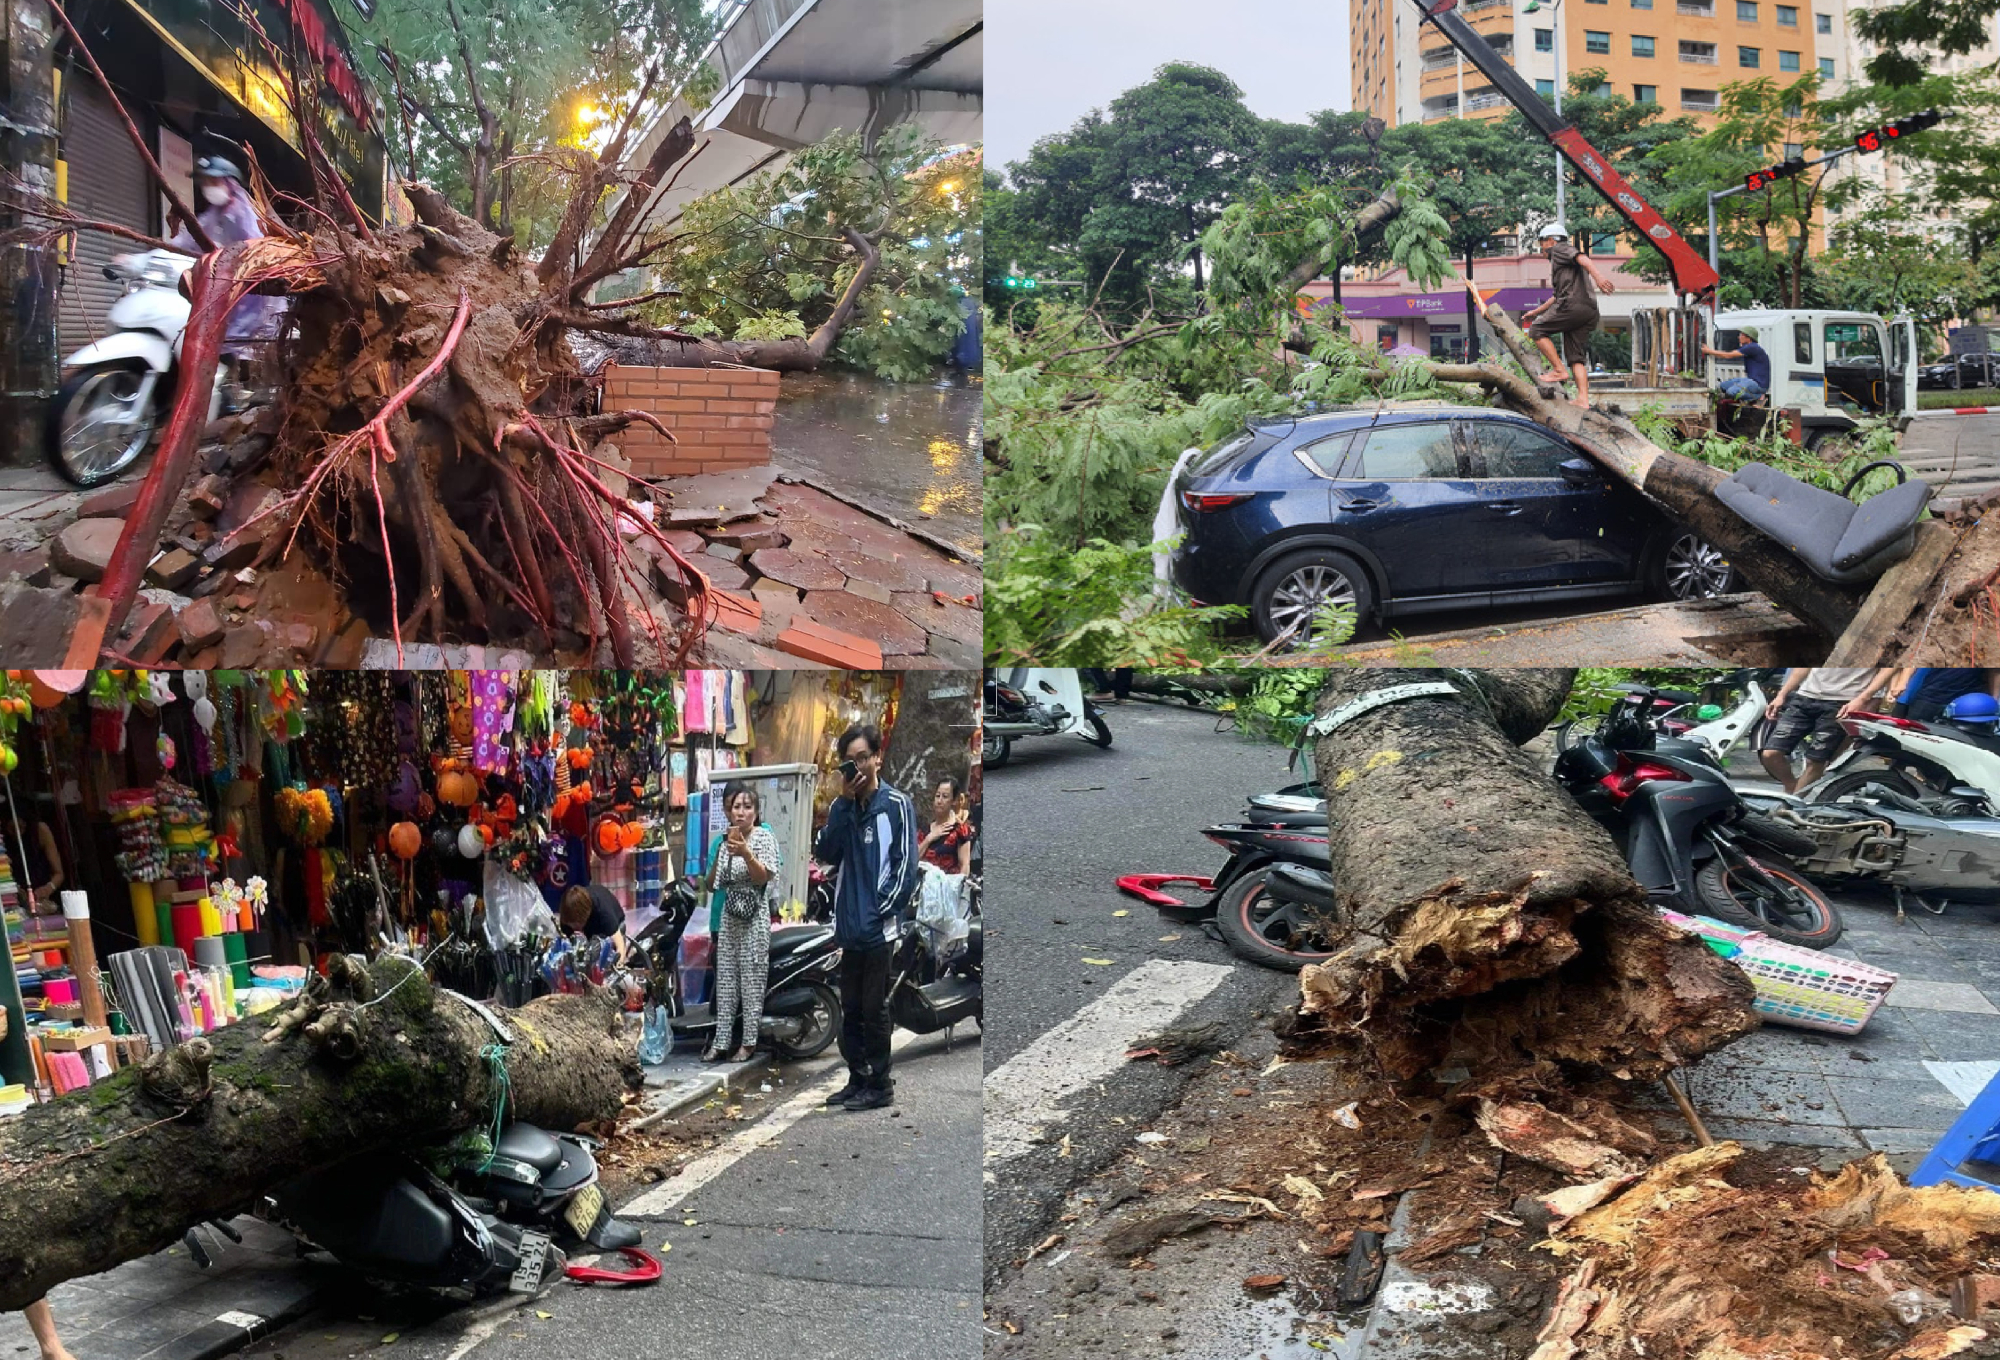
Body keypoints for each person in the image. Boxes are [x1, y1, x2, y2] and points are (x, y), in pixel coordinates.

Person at [814, 724, 919, 1112]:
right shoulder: (846, 808)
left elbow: (905, 867)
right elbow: (827, 853)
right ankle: (857, 1077)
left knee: (875, 1010)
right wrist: (841, 804)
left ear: (877, 758)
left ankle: (880, 1084)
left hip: (877, 928)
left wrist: (880, 912)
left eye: (863, 757)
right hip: (848, 928)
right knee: (852, 1009)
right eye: (850, 761)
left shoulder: (896, 804)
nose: (857, 766)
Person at [168, 155, 284, 405]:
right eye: (205, 182)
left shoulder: (244, 213)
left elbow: (254, 247)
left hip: (251, 292)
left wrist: (230, 257)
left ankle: (231, 396)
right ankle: (225, 395)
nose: (208, 187)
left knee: (232, 340)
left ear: (229, 183)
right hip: (222, 287)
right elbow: (188, 238)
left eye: (213, 181)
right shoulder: (213, 215)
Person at [702, 781, 780, 1063]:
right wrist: (721, 853)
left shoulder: (763, 838)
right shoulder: (725, 844)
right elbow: (712, 886)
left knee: (751, 981)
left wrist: (746, 853)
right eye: (737, 807)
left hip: (754, 919)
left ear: (756, 812)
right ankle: (720, 1042)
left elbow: (763, 877)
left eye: (748, 807)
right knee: (725, 982)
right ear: (729, 812)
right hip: (729, 917)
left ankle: (748, 1043)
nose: (742, 812)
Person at [1522, 223, 1615, 410]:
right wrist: (1536, 311)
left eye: (1542, 243)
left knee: (1537, 330)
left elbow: (1582, 257)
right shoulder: (1565, 267)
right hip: (1588, 311)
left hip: (1572, 305)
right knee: (1576, 358)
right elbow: (1556, 296)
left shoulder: (1559, 249)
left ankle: (1558, 370)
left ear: (1550, 240)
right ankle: (1583, 399)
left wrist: (1598, 277)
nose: (1542, 249)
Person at [1759, 667, 1898, 793]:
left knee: (1816, 761)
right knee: (1770, 754)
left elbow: (1888, 668)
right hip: (1805, 696)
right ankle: (1791, 786)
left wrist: (1863, 699)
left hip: (1844, 702)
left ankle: (1790, 804)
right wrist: (1782, 694)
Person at [1891, 668, 1998, 723]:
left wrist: (1994, 699)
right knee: (1912, 739)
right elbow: (1917, 656)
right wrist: (1902, 682)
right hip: (1932, 696)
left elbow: (1994, 671)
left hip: (1967, 704)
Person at [557, 883, 628, 964]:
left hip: (613, 925)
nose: (575, 929)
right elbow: (566, 948)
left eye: (577, 925)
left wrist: (619, 964)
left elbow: (620, 946)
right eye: (572, 926)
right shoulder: (567, 917)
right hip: (589, 925)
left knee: (605, 957)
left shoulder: (603, 911)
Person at [918, 776, 975, 875]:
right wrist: (929, 839)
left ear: (954, 801)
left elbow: (964, 865)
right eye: (937, 796)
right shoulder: (924, 830)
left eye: (945, 796)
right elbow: (913, 860)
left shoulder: (960, 830)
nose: (939, 801)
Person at [1701, 326, 1772, 403]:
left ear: (1749, 338)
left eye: (1741, 335)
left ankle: (1759, 396)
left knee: (1731, 392)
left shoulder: (1752, 347)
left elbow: (1728, 355)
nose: (1739, 337)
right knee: (1723, 386)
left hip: (1758, 384)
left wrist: (1709, 351)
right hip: (1751, 381)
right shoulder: (1749, 347)